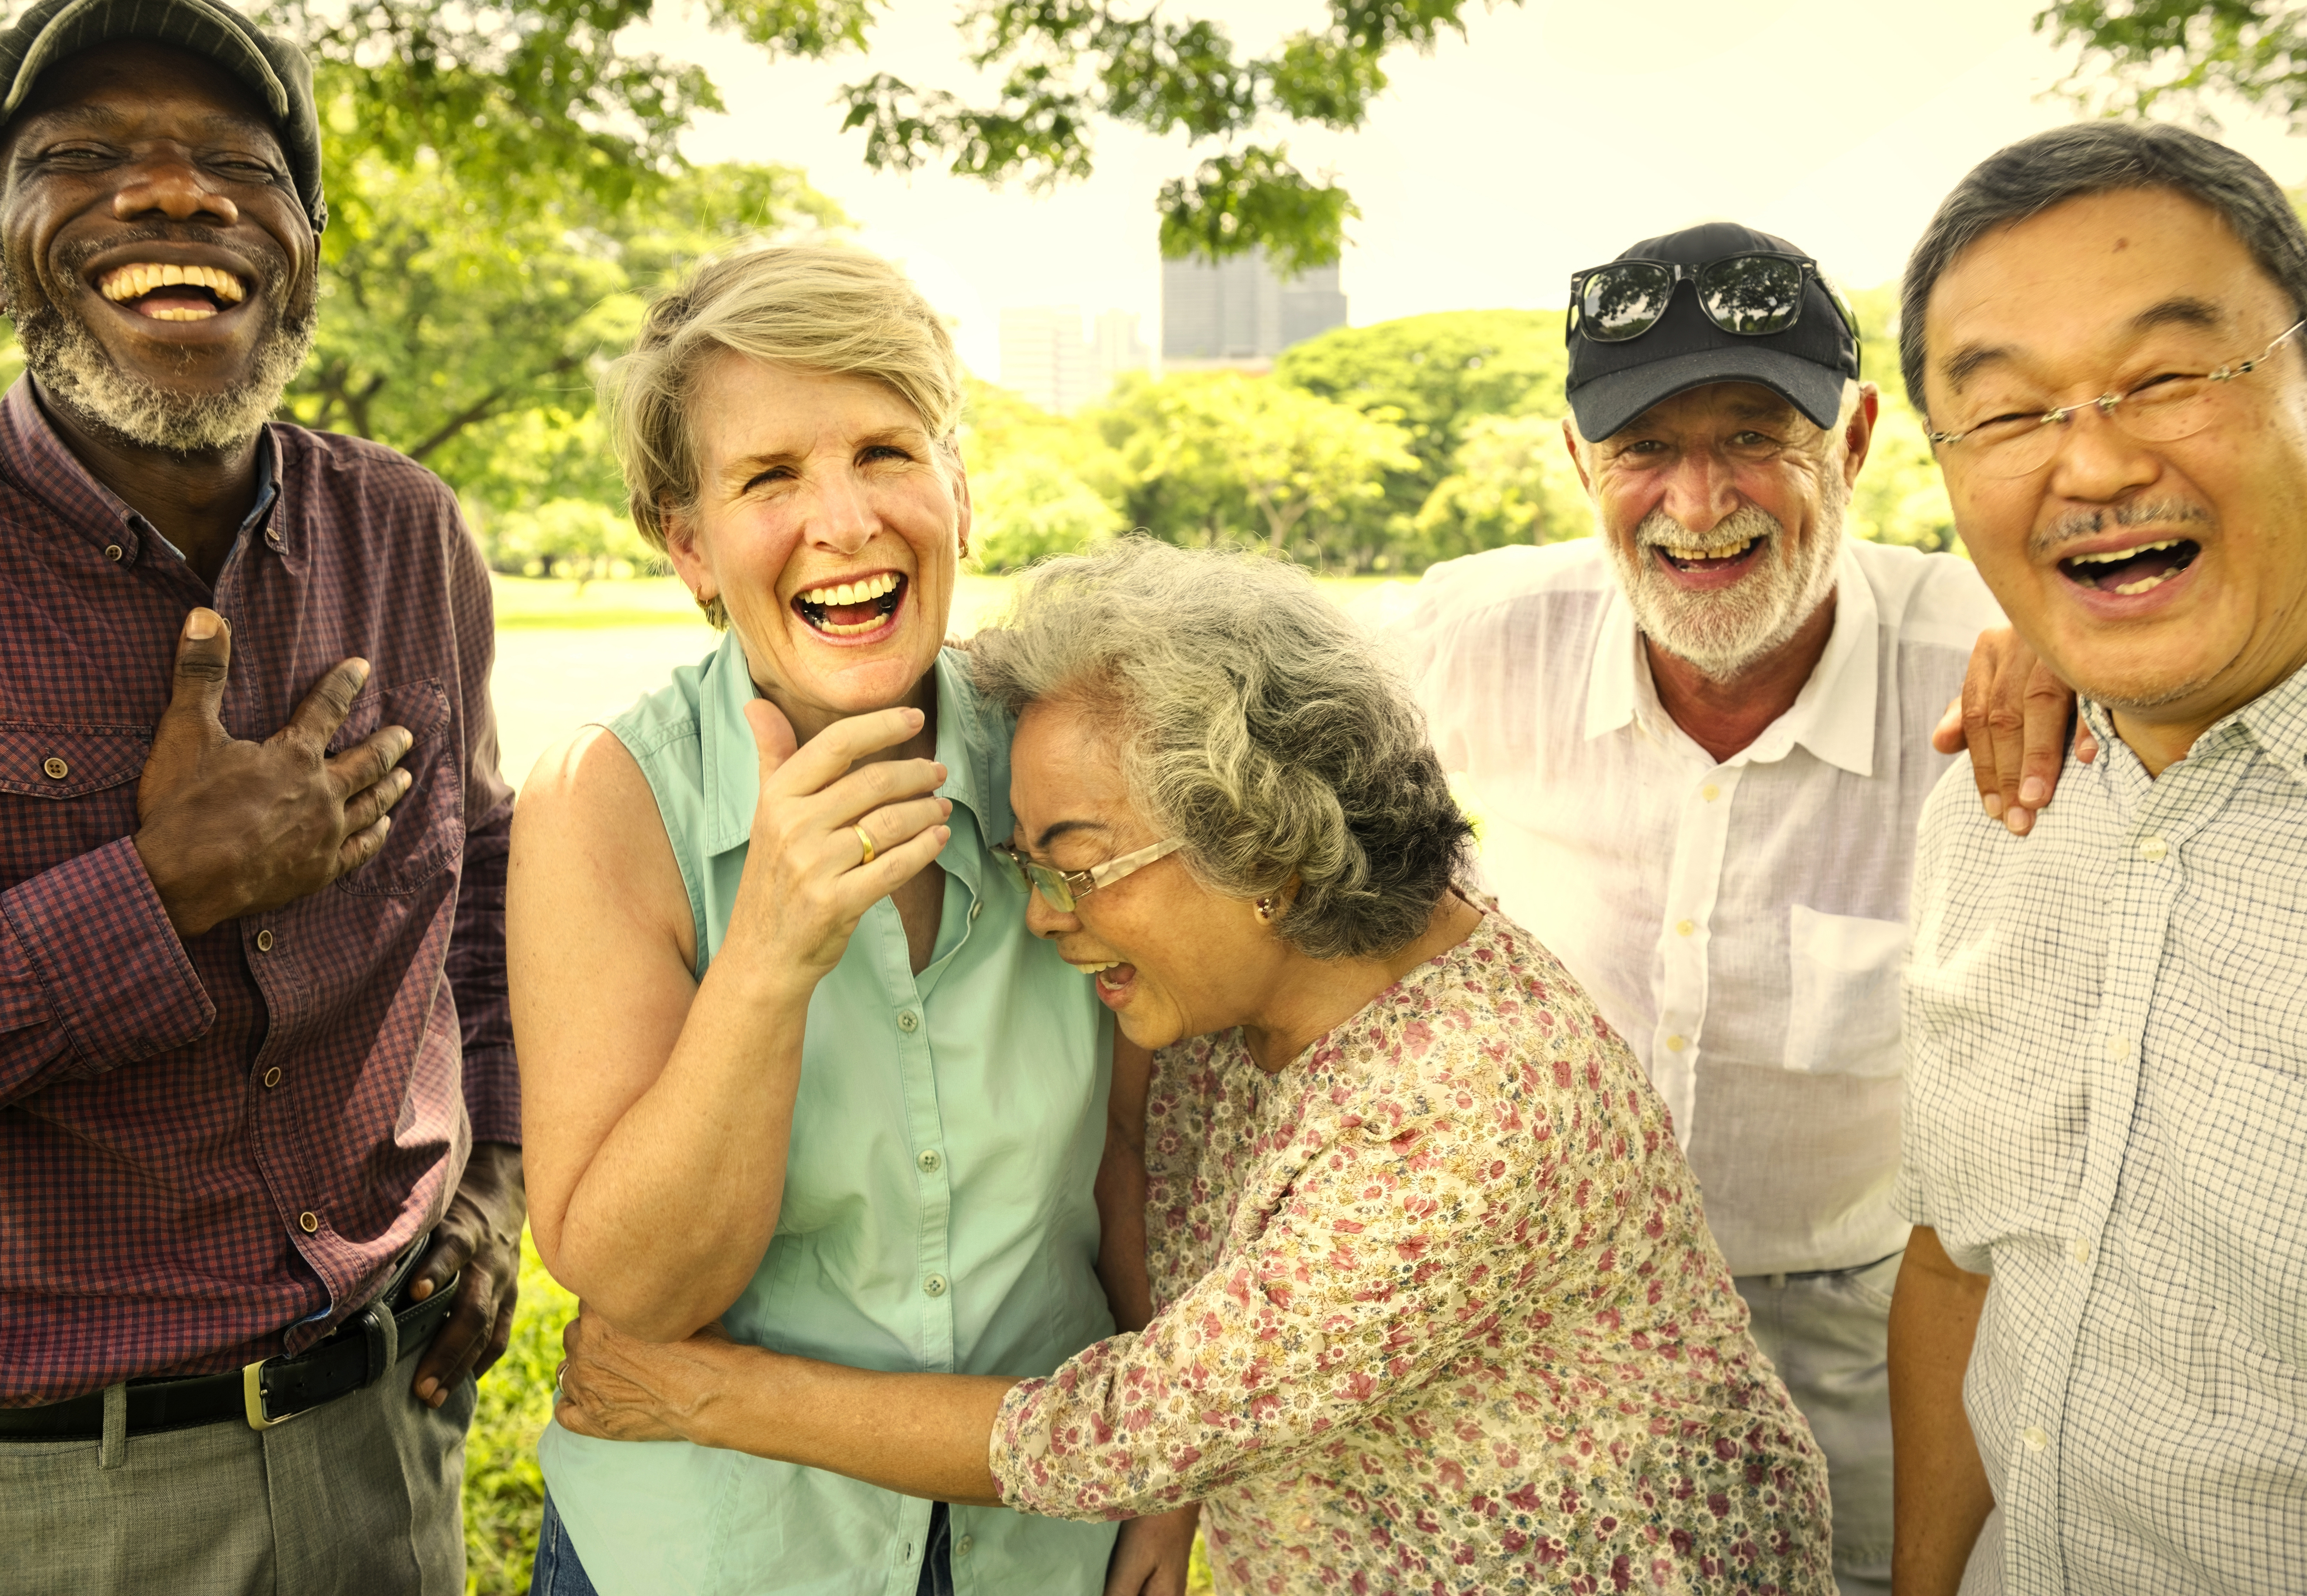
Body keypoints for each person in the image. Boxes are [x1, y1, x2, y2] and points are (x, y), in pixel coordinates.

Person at [549, 538, 1836, 1596]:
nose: (1044, 916)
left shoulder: (1470, 1105)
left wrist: (702, 1395)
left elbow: (1117, 1429)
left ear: (1261, 845)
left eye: (1077, 863)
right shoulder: (1252, 999)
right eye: (1027, 866)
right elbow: (1147, 1199)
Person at [1392, 221, 2077, 1596]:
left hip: (1861, 1344)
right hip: (1535, 1325)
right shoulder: (1467, 640)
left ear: (1857, 439)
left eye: (1755, 436)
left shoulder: (1999, 667)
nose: (1698, 502)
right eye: (1645, 447)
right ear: (1579, 461)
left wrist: (2073, 644)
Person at [509, 243, 1140, 1596]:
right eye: (769, 478)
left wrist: (1166, 1481)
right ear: (688, 545)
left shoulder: (1074, 755)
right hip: (718, 1553)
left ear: (959, 494)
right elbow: (642, 1293)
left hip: (1041, 1540)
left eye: (885, 453)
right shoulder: (603, 803)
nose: (845, 523)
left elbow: (1138, 1164)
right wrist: (769, 956)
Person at [0, 0, 524, 1592]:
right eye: (87, 154)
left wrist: (498, 1181)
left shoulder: (407, 533)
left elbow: (485, 885)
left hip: (386, 1436)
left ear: (303, 242)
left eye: (242, 163)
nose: (177, 192)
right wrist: (163, 895)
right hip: (58, 1495)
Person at [1890, 122, 2307, 1594]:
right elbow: (1959, 1261)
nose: (2097, 461)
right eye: (2008, 413)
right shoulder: (1993, 798)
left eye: (2171, 375)